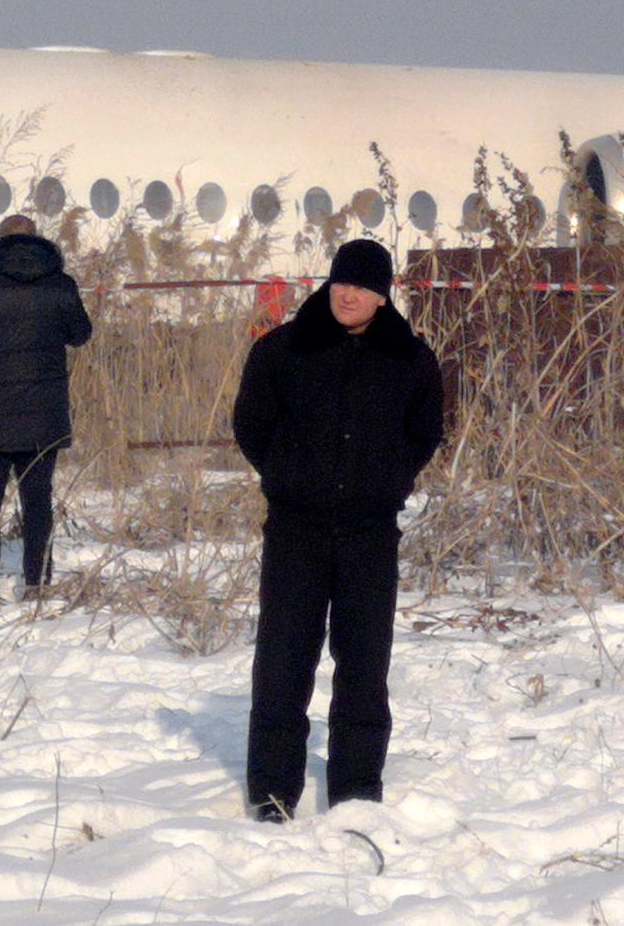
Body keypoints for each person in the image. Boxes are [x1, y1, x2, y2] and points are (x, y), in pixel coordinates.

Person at [232, 239, 445, 821]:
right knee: (283, 659)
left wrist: (388, 481)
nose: (348, 295)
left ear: (383, 295)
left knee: (363, 661)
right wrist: (284, 473)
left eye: (363, 286)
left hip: (370, 533)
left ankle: (355, 790)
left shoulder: (410, 359)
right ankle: (273, 791)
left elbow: (424, 433)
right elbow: (250, 423)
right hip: (296, 528)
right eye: (340, 283)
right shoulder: (283, 350)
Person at [0, 215, 92, 607]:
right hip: (44, 415)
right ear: (37, 241)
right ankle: (38, 582)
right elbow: (81, 334)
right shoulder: (61, 287)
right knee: (38, 502)